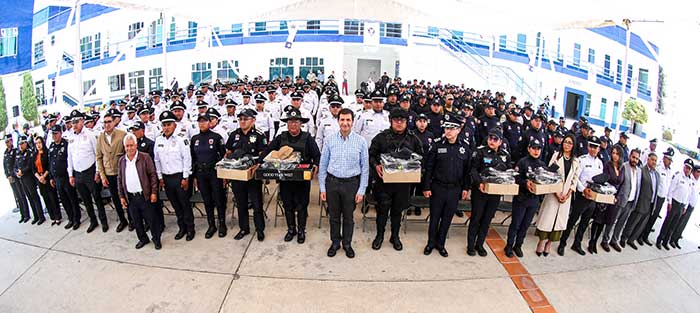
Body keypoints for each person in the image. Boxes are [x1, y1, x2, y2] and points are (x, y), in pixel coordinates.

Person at [369, 108, 424, 251]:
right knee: (382, 211)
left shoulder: (413, 139)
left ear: (407, 122)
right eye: (396, 120)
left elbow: (421, 158)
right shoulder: (381, 137)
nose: (399, 123)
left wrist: (413, 167)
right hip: (384, 183)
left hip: (403, 184)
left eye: (402, 120)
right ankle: (379, 236)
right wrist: (376, 166)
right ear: (391, 121)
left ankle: (395, 236)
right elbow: (371, 155)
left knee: (397, 212)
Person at [318, 108, 369, 258]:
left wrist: (361, 190)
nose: (345, 123)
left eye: (348, 120)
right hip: (332, 183)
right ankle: (335, 242)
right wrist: (322, 188)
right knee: (333, 216)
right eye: (342, 120)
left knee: (348, 217)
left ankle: (347, 243)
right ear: (338, 121)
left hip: (351, 184)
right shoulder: (330, 140)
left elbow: (365, 168)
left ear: (353, 122)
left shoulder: (361, 142)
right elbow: (322, 166)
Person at [266, 107, 321, 244]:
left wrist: (316, 165)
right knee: (287, 205)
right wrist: (258, 162)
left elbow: (317, 155)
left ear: (301, 123)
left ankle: (301, 230)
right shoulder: (281, 137)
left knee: (302, 205)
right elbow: (268, 150)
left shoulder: (307, 138)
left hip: (302, 179)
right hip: (285, 179)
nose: (293, 124)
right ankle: (291, 229)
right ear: (287, 123)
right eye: (290, 122)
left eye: (296, 121)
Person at [422, 112, 470, 257]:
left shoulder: (464, 148)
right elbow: (429, 168)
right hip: (438, 187)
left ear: (459, 130)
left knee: (447, 218)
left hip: (455, 189)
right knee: (435, 217)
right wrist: (426, 186)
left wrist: (466, 188)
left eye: (452, 128)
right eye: (446, 128)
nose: (448, 131)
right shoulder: (437, 145)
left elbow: (467, 170)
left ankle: (440, 244)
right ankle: (430, 243)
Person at [468, 129, 511, 257]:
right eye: (490, 138)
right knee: (476, 218)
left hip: (495, 193)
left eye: (495, 139)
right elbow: (473, 169)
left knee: (487, 220)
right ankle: (470, 245)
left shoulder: (505, 155)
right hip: (480, 191)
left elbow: (508, 172)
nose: (492, 141)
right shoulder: (480, 151)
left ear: (500, 141)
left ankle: (479, 244)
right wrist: (479, 182)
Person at [226, 109, 268, 241]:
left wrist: (257, 164)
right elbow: (228, 151)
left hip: (252, 174)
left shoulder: (259, 135)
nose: (243, 121)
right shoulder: (234, 135)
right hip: (237, 174)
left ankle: (260, 229)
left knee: (256, 204)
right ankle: (244, 228)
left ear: (253, 120)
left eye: (246, 119)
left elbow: (263, 153)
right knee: (241, 203)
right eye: (241, 119)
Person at [557, 136, 603, 256]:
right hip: (582, 196)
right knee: (572, 221)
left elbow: (600, 180)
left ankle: (577, 243)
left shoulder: (599, 163)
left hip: (592, 197)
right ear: (588, 147)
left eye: (595, 147)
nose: (593, 149)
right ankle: (562, 243)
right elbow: (575, 178)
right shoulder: (582, 160)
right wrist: (583, 190)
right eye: (591, 146)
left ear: (599, 149)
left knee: (584, 222)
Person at [535, 133, 580, 256]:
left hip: (566, 196)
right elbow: (550, 174)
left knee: (558, 223)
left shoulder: (576, 161)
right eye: (565, 142)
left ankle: (549, 244)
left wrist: (568, 194)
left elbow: (575, 180)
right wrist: (557, 193)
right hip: (554, 193)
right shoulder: (556, 155)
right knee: (547, 220)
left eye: (570, 143)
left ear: (573, 145)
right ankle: (541, 243)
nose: (567, 145)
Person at [154, 110, 195, 241]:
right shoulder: (158, 140)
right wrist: (160, 177)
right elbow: (157, 160)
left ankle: (190, 229)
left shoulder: (181, 139)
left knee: (185, 204)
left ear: (174, 125)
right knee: (175, 205)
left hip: (179, 177)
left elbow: (187, 159)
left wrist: (185, 177)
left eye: (168, 124)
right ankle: (181, 227)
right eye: (164, 125)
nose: (166, 127)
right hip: (166, 178)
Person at [117, 134, 161, 250]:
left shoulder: (145, 157)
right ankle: (143, 239)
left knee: (151, 220)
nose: (129, 148)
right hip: (131, 197)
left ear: (136, 145)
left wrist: (154, 192)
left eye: (131, 145)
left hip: (144, 196)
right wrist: (122, 196)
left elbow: (152, 175)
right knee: (137, 221)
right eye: (127, 146)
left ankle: (156, 239)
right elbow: (120, 179)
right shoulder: (122, 160)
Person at [67, 110, 107, 233]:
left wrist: (97, 172)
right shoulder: (71, 137)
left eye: (77, 121)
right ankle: (93, 221)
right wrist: (70, 175)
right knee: (86, 200)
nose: (74, 124)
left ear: (82, 121)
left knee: (97, 198)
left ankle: (103, 221)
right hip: (78, 174)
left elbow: (97, 155)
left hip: (90, 172)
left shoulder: (90, 134)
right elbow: (70, 157)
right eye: (72, 122)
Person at [506, 139, 546, 258]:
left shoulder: (542, 165)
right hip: (521, 198)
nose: (536, 151)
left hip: (534, 200)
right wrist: (525, 183)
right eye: (533, 148)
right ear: (529, 149)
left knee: (525, 225)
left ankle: (518, 245)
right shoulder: (522, 162)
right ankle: (509, 245)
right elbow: (515, 178)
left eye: (538, 148)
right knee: (516, 224)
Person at [190, 113, 227, 239]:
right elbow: (193, 158)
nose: (202, 124)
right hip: (201, 173)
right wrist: (194, 176)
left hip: (214, 172)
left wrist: (224, 175)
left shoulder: (216, 137)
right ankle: (211, 224)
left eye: (204, 121)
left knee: (219, 199)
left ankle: (222, 223)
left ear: (209, 122)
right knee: (207, 200)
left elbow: (223, 156)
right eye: (200, 122)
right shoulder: (195, 139)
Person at [96, 110, 130, 232]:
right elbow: (99, 157)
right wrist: (102, 175)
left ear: (114, 122)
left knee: (126, 196)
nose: (107, 124)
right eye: (105, 122)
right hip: (109, 173)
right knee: (115, 199)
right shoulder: (100, 138)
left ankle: (132, 220)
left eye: (109, 122)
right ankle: (122, 220)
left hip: (121, 172)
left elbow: (128, 153)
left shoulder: (122, 134)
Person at [588, 145, 625, 253]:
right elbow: (603, 180)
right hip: (605, 196)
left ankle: (596, 241)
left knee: (605, 221)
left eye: (617, 153)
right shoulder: (608, 165)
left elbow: (622, 184)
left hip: (614, 199)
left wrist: (616, 197)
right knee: (598, 220)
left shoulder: (621, 167)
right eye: (613, 153)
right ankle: (592, 242)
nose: (614, 155)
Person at [603, 148, 641, 251]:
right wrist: (617, 196)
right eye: (633, 157)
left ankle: (614, 240)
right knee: (612, 220)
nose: (634, 160)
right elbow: (619, 184)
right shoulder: (624, 166)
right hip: (621, 199)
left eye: (637, 159)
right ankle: (605, 240)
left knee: (621, 222)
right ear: (629, 156)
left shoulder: (639, 171)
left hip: (630, 201)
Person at [622, 152, 660, 249]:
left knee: (641, 224)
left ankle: (632, 239)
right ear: (648, 160)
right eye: (652, 160)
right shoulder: (642, 171)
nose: (654, 162)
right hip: (641, 202)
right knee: (632, 222)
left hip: (650, 204)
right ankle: (623, 238)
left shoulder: (656, 174)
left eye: (655, 160)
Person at [656, 158, 695, 250]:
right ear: (684, 167)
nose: (687, 170)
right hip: (674, 203)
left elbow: (688, 195)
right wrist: (669, 202)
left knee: (673, 225)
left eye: (689, 169)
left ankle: (666, 241)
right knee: (667, 222)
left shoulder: (690, 181)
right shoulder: (678, 176)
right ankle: (659, 239)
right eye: (686, 167)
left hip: (682, 205)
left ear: (691, 170)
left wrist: (685, 206)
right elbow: (671, 189)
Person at [640, 148, 674, 244]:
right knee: (648, 217)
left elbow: (668, 185)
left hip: (662, 198)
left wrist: (668, 199)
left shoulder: (669, 171)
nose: (670, 162)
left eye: (671, 160)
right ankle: (641, 235)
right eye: (669, 159)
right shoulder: (658, 168)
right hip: (656, 196)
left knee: (654, 218)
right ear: (664, 158)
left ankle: (645, 235)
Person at [15, 135, 46, 225]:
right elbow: (15, 166)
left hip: (29, 178)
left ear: (26, 143)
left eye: (22, 143)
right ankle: (36, 216)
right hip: (22, 180)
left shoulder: (29, 153)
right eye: (19, 144)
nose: (21, 145)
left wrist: (22, 171)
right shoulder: (18, 154)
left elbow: (30, 166)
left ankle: (41, 216)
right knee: (29, 197)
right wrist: (17, 172)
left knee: (34, 197)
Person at [668, 164, 700, 249]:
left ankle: (676, 239)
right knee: (677, 223)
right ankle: (672, 239)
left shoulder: (697, 182)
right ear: (693, 171)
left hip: (691, 206)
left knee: (683, 224)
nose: (698, 174)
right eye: (697, 172)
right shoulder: (690, 179)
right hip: (685, 204)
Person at [32, 136, 62, 225]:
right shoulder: (35, 154)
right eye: (36, 143)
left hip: (48, 177)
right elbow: (33, 169)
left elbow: (49, 165)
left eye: (39, 143)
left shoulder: (47, 152)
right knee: (45, 198)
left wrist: (44, 176)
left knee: (52, 197)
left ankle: (57, 216)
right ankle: (52, 216)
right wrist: (39, 178)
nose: (38, 145)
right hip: (40, 179)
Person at [5, 135, 30, 223]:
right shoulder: (6, 152)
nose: (7, 143)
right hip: (11, 178)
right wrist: (7, 175)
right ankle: (22, 214)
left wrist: (14, 174)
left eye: (8, 141)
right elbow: (5, 165)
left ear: (11, 141)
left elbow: (16, 164)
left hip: (16, 177)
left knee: (22, 195)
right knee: (17, 197)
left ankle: (26, 214)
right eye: (6, 142)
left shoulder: (15, 151)